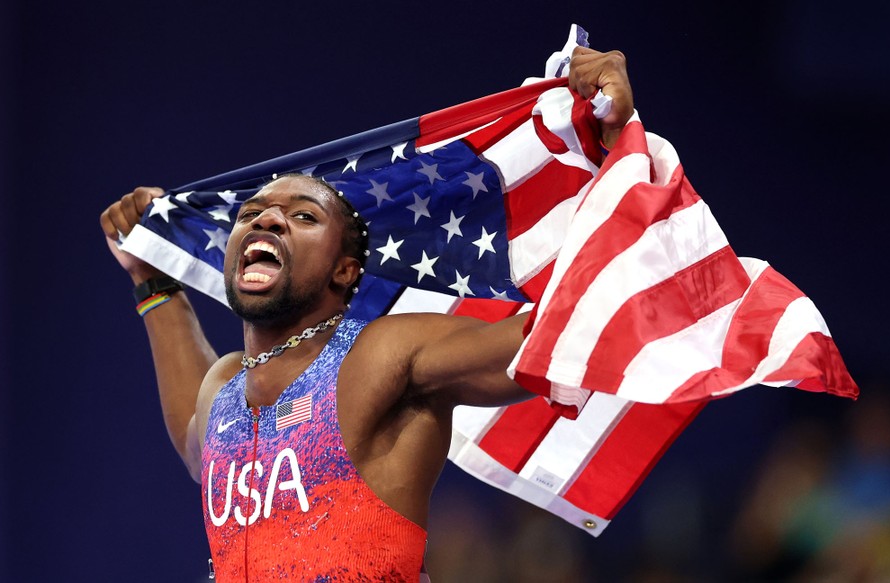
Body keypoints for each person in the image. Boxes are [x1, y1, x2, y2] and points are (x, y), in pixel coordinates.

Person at [99, 47, 633, 582]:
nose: (267, 221)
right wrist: (153, 282)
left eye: (302, 216)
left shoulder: (381, 355)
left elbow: (550, 338)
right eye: (252, 213)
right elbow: (199, 444)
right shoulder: (224, 386)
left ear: (344, 270)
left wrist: (615, 157)